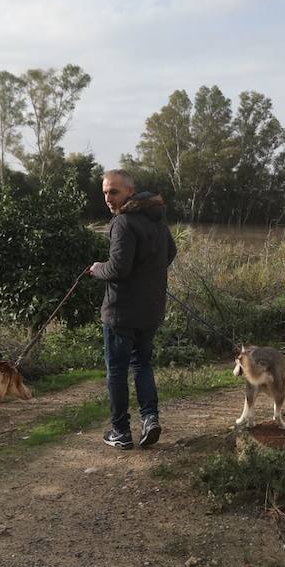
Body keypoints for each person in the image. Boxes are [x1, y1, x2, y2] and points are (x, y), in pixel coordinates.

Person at [87, 169, 177, 450]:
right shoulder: (156, 218)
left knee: (116, 371)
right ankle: (150, 419)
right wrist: (148, 272)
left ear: (130, 191)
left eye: (113, 191)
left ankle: (121, 432)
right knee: (142, 365)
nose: (108, 198)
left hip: (121, 312)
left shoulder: (123, 222)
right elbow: (170, 253)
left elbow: (117, 269)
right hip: (150, 309)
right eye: (104, 192)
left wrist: (96, 269)